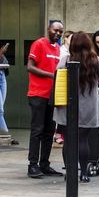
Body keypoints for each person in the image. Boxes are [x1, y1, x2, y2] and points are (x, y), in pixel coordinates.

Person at [57, 32, 99, 182]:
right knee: (83, 140)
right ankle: (84, 173)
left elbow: (58, 79)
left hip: (67, 106)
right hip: (89, 106)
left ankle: (70, 173)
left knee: (69, 141)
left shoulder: (66, 60)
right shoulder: (96, 61)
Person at [26, 18, 64, 178]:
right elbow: (30, 66)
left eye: (60, 31)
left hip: (51, 95)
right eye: (55, 30)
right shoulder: (39, 44)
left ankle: (45, 164)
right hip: (37, 94)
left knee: (49, 131)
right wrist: (51, 75)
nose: (58, 33)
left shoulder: (58, 49)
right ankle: (32, 165)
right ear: (48, 29)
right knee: (37, 130)